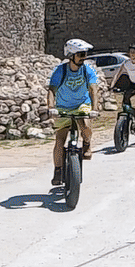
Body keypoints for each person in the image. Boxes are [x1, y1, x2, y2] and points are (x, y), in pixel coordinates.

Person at [48, 38, 100, 186]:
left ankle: (87, 143)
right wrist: (51, 108)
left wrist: (94, 109)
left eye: (85, 55)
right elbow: (51, 90)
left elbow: (93, 90)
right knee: (59, 141)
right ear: (71, 56)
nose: (84, 58)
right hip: (63, 107)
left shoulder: (87, 70)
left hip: (81, 104)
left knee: (85, 124)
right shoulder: (60, 71)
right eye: (81, 55)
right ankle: (58, 170)